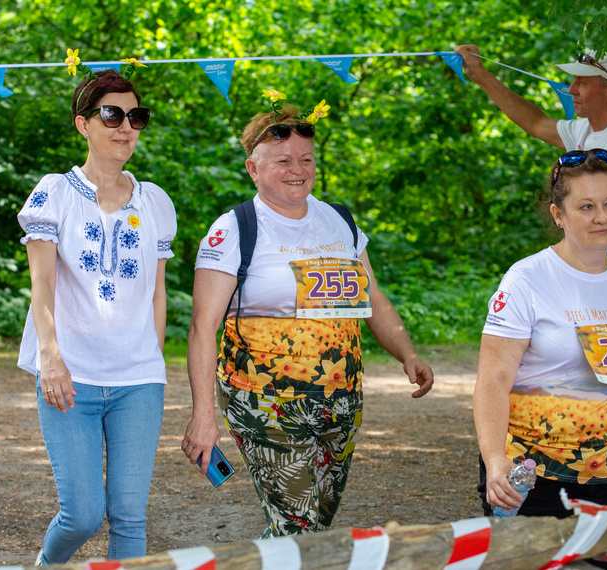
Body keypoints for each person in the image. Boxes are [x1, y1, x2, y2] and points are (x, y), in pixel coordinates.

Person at [181, 97, 434, 537]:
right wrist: (204, 413)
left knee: (312, 521)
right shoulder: (234, 229)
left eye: (306, 159)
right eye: (282, 160)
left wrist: (407, 354)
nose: (297, 168)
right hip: (264, 402)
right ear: (253, 169)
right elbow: (204, 326)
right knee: (298, 526)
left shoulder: (340, 221)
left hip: (341, 400)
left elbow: (373, 297)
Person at [475, 149, 607, 569]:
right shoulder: (527, 279)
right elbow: (492, 380)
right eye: (586, 206)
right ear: (559, 214)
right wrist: (495, 460)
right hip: (541, 473)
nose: (602, 217)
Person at [16, 66, 176, 563]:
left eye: (135, 116)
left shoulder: (156, 202)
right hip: (71, 374)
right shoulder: (54, 194)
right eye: (112, 115)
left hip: (138, 381)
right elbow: (41, 283)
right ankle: (47, 564)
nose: (126, 126)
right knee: (83, 514)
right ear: (83, 124)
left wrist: (150, 362)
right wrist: (51, 357)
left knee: (130, 516)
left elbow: (156, 294)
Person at [454, 44, 607, 355]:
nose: (571, 89)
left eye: (583, 82)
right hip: (585, 283)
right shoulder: (587, 130)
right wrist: (480, 74)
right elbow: (534, 123)